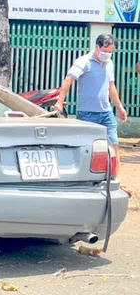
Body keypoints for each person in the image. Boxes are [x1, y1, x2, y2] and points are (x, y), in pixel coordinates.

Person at [53, 34, 130, 194]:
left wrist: (120, 107)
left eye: (110, 51)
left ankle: (115, 181)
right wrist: (60, 101)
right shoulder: (84, 62)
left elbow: (111, 87)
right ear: (97, 47)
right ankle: (84, 182)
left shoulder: (109, 64)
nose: (107, 54)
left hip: (106, 113)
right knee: (87, 149)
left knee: (114, 146)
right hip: (87, 115)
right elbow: (68, 80)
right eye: (105, 50)